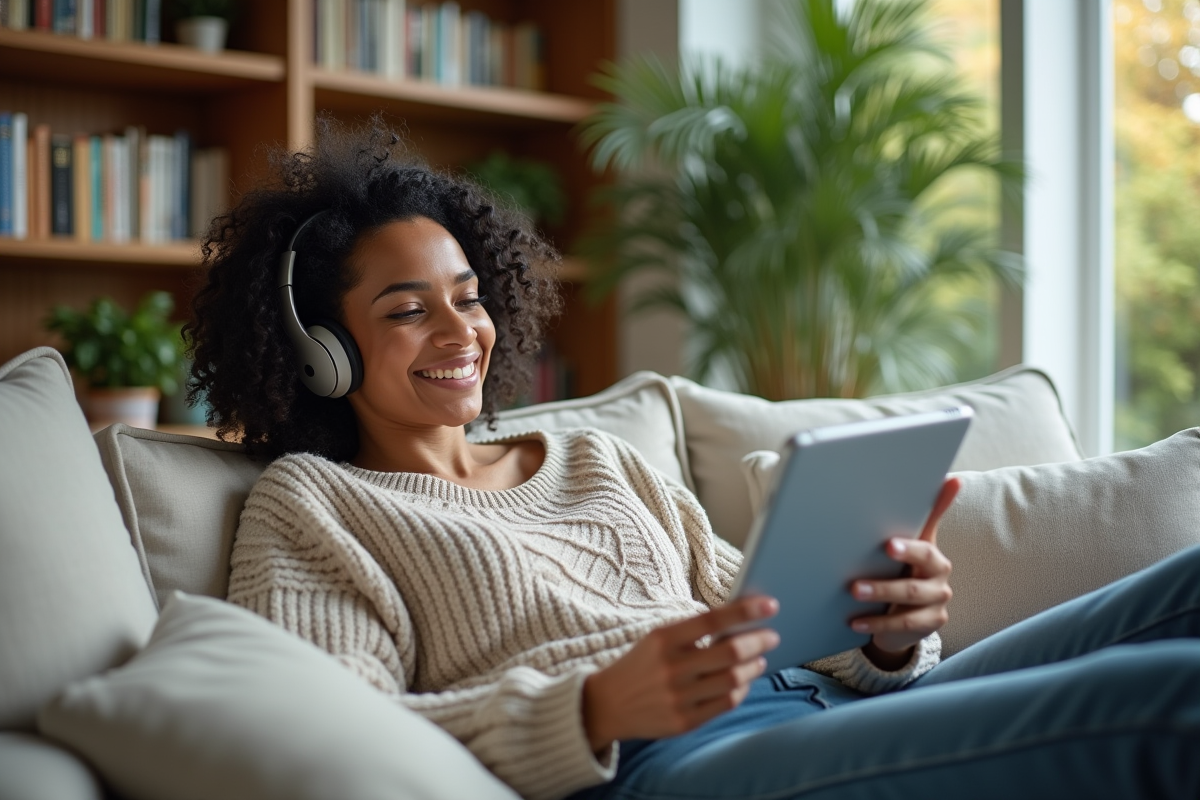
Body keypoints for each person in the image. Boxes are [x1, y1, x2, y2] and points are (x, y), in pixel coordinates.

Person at [187, 119, 1200, 800]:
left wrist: (885, 632)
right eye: (408, 310)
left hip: (821, 709)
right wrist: (588, 708)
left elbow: (759, 620)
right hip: (682, 768)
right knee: (1170, 699)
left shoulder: (593, 459)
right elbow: (339, 734)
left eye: (468, 296)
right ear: (320, 351)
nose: (461, 332)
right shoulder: (314, 504)